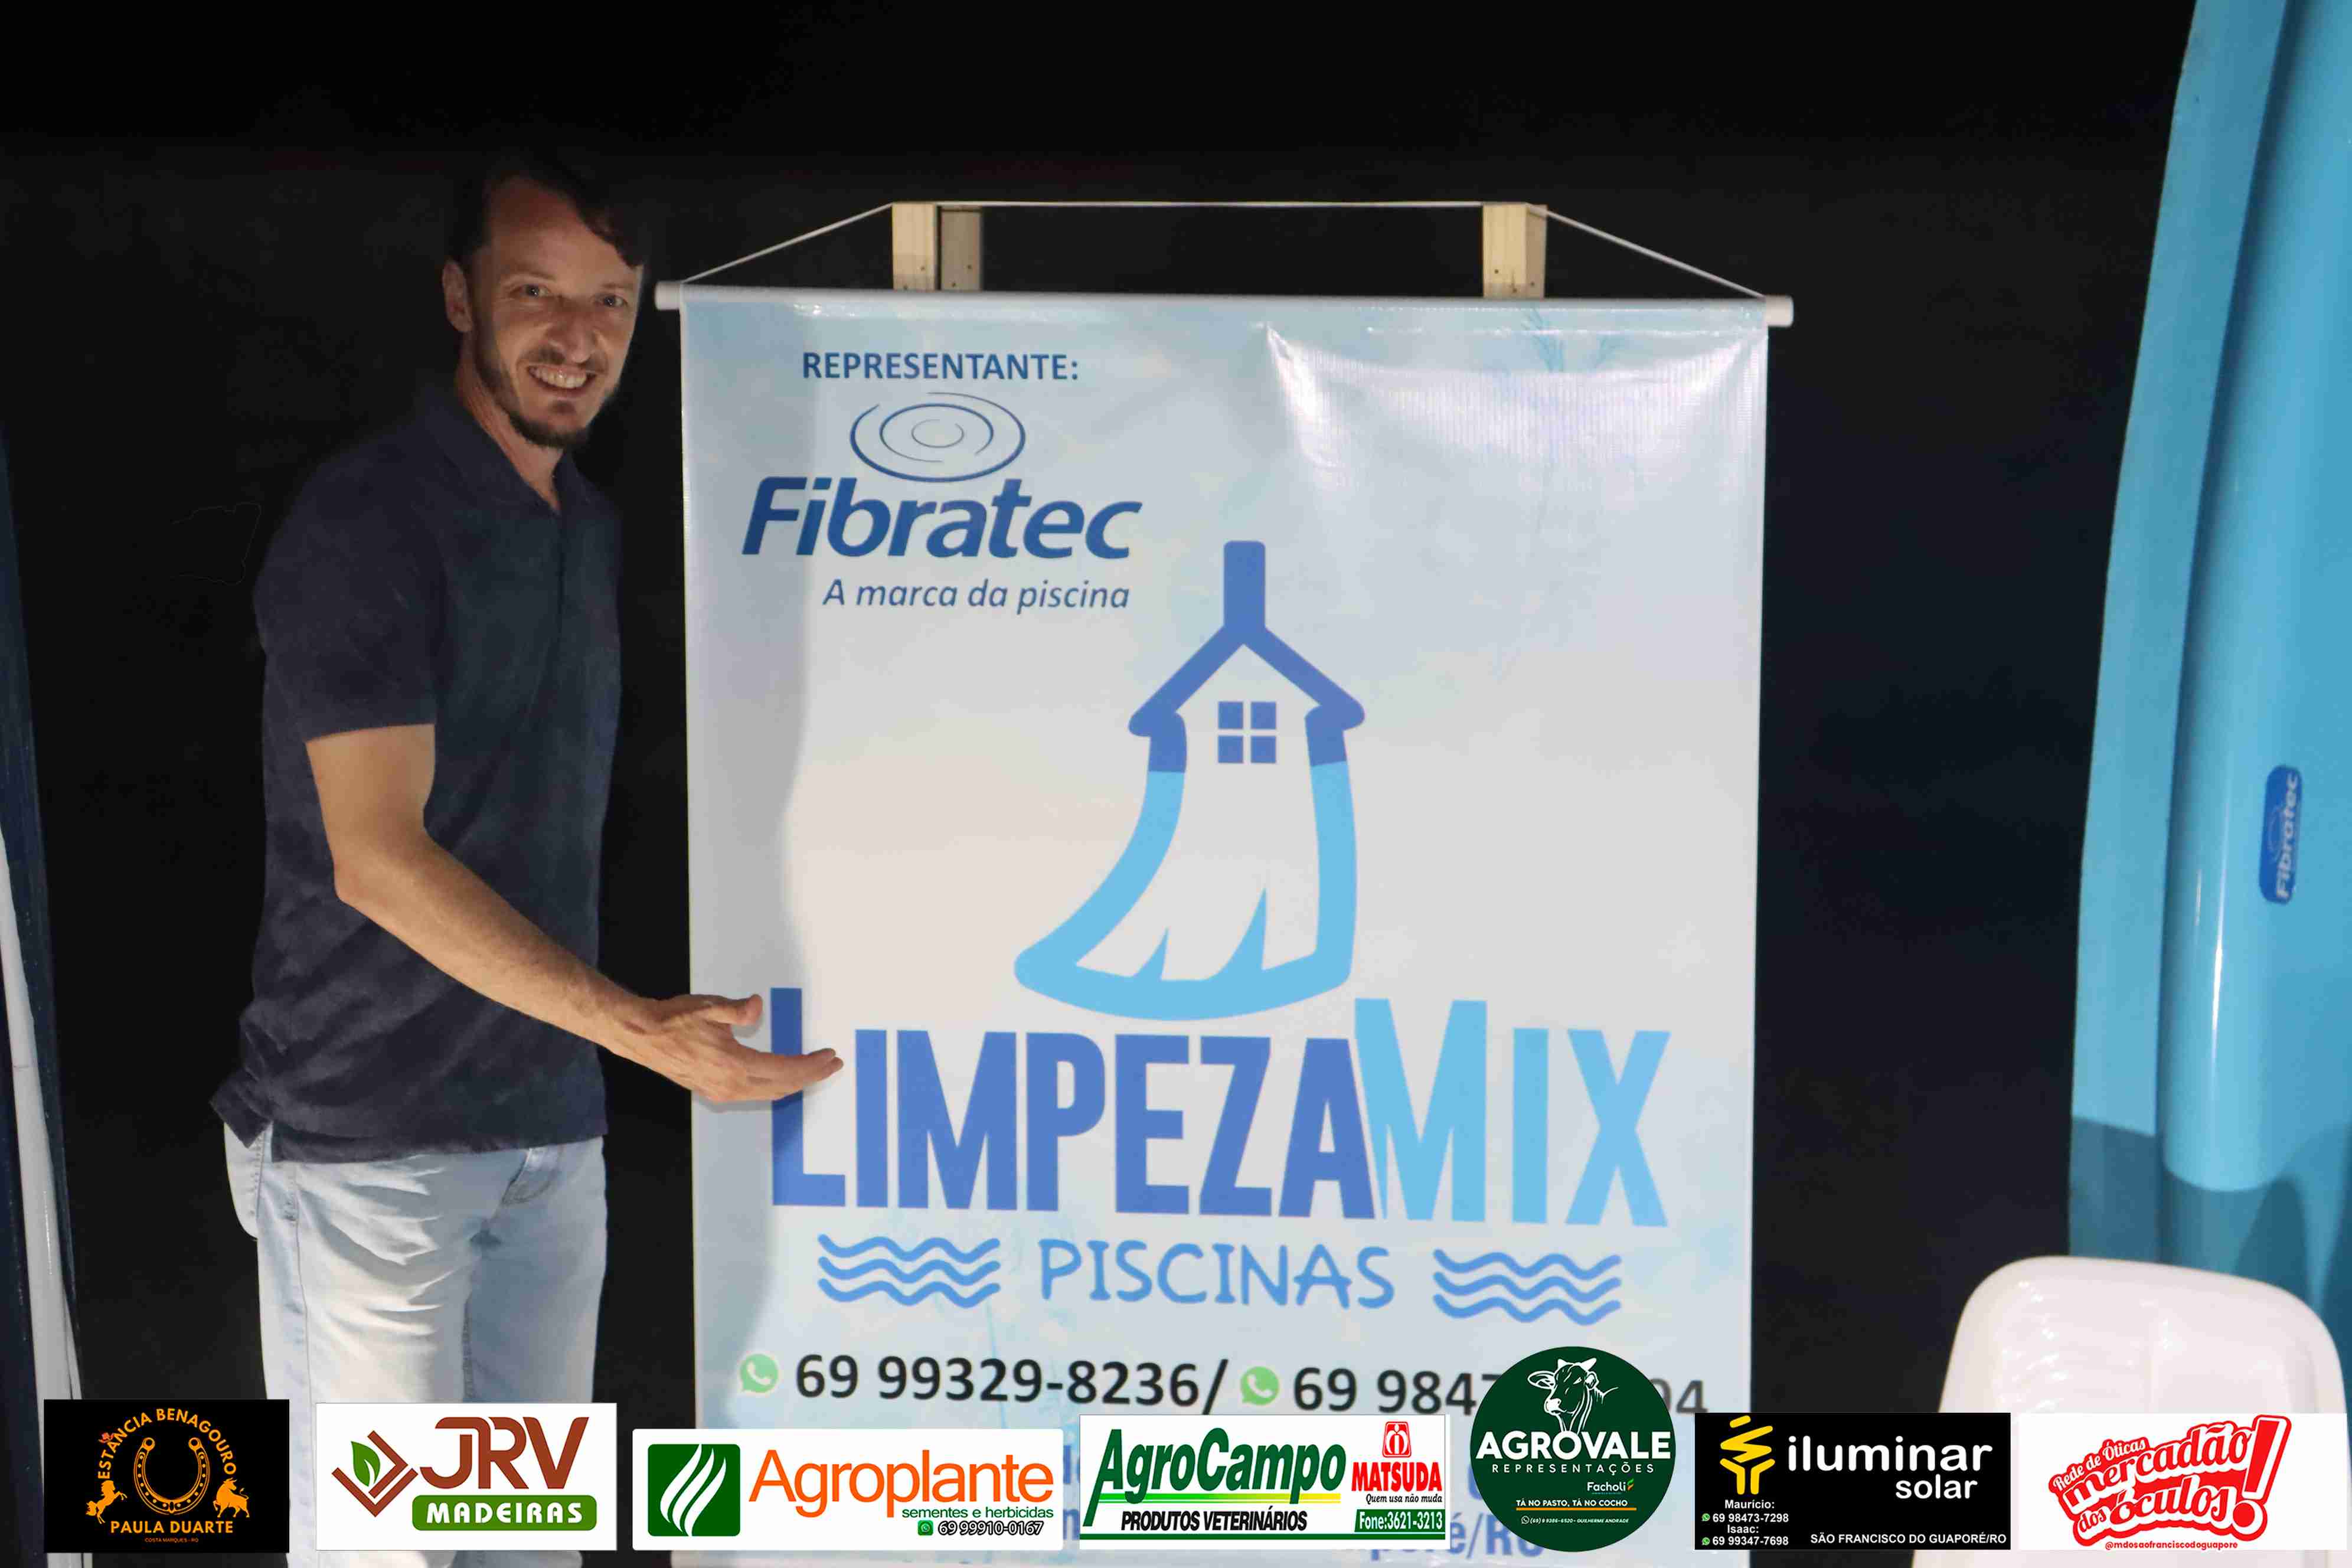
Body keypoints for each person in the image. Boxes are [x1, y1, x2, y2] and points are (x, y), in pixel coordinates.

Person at [211, 148, 841, 1565]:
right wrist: (639, 1029)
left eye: (608, 298)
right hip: (371, 1149)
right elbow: (376, 858)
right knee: (386, 1549)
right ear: (461, 297)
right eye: (535, 292)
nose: (576, 334)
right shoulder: (368, 521)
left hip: (546, 1143)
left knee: (523, 1548)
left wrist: (602, 1056)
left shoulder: (586, 528)